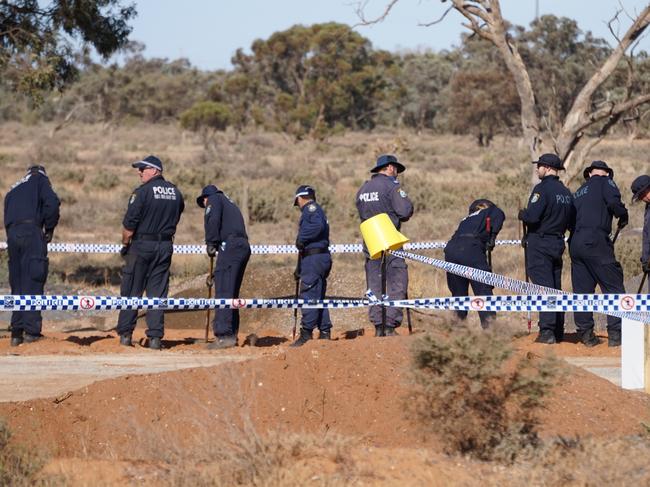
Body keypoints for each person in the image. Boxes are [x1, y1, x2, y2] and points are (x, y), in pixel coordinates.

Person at [116, 155, 184, 350]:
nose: (139, 172)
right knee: (158, 292)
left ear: (155, 171)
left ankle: (126, 335)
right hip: (164, 247)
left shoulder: (142, 192)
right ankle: (155, 338)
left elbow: (129, 224)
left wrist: (126, 243)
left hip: (141, 246)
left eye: (143, 169)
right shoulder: (175, 192)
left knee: (132, 290)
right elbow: (177, 216)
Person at [570, 160, 628, 347]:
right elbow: (614, 203)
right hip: (596, 241)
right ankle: (616, 336)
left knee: (582, 292)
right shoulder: (606, 182)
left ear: (589, 174)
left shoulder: (579, 191)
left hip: (576, 243)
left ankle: (586, 335)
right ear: (606, 173)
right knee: (614, 288)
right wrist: (623, 214)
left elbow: (570, 218)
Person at [518, 153, 574, 345]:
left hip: (540, 243)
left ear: (548, 168)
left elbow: (533, 217)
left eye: (540, 165)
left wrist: (523, 215)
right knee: (555, 287)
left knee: (544, 287)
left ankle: (547, 330)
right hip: (557, 242)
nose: (537, 168)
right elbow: (571, 221)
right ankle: (558, 329)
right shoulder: (566, 192)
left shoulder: (541, 190)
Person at [356, 154, 414, 337]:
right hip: (389, 238)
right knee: (397, 279)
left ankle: (378, 324)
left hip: (370, 240)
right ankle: (389, 324)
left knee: (374, 282)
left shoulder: (363, 189)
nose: (397, 173)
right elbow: (404, 211)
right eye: (396, 169)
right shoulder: (391, 186)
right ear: (390, 168)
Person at [4, 165, 60, 346]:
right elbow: (52, 203)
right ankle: (32, 333)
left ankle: (16, 332)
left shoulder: (14, 187)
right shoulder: (40, 180)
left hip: (12, 235)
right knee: (33, 279)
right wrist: (49, 228)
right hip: (31, 232)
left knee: (17, 283)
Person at [196, 184, 251, 349]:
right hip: (242, 245)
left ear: (206, 198)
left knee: (224, 290)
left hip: (231, 245)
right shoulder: (230, 203)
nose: (205, 205)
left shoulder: (213, 199)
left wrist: (211, 242)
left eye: (203, 202)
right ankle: (231, 334)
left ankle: (223, 335)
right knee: (232, 291)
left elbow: (212, 220)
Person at [444, 199, 505, 328]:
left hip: (451, 250)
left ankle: (458, 331)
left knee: (458, 294)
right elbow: (500, 213)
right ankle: (491, 332)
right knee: (483, 291)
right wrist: (493, 237)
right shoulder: (490, 210)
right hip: (471, 248)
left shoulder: (466, 219)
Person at [290, 185, 332, 346]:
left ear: (301, 198)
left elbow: (317, 226)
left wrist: (301, 238)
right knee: (319, 296)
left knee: (309, 294)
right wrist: (299, 268)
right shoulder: (317, 210)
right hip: (317, 257)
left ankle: (306, 333)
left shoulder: (311, 209)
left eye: (297, 201)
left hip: (314, 259)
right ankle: (325, 331)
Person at [630, 175, 650, 285]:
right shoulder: (648, 208)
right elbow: (647, 235)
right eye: (641, 196)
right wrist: (645, 259)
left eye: (644, 193)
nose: (643, 198)